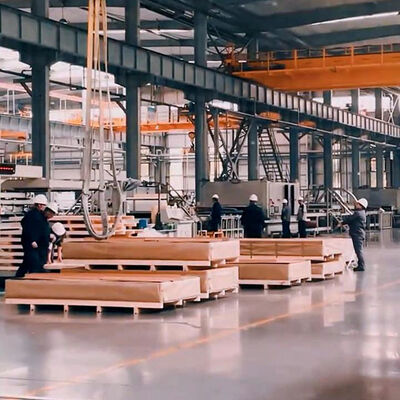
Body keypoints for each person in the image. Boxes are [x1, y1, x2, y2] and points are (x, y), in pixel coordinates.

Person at [16, 194, 50, 277]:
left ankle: (18, 278)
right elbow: (28, 228)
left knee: (28, 262)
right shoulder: (32, 215)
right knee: (34, 263)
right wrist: (32, 240)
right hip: (31, 244)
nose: (44, 207)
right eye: (44, 205)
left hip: (37, 244)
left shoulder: (39, 215)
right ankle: (30, 278)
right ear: (39, 205)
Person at [341, 198, 368, 272]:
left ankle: (361, 266)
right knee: (358, 250)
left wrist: (342, 222)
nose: (356, 205)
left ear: (361, 205)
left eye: (357, 204)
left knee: (358, 251)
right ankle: (360, 264)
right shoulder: (361, 212)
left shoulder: (358, 213)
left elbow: (349, 219)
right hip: (359, 234)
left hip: (357, 234)